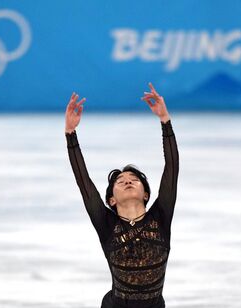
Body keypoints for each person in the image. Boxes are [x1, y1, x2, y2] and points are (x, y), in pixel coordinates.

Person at [65, 83, 179, 308]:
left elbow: (172, 170)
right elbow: (84, 182)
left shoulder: (161, 216)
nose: (128, 181)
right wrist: (70, 134)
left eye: (135, 180)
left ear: (146, 194)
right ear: (111, 200)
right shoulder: (106, 223)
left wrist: (165, 121)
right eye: (120, 181)